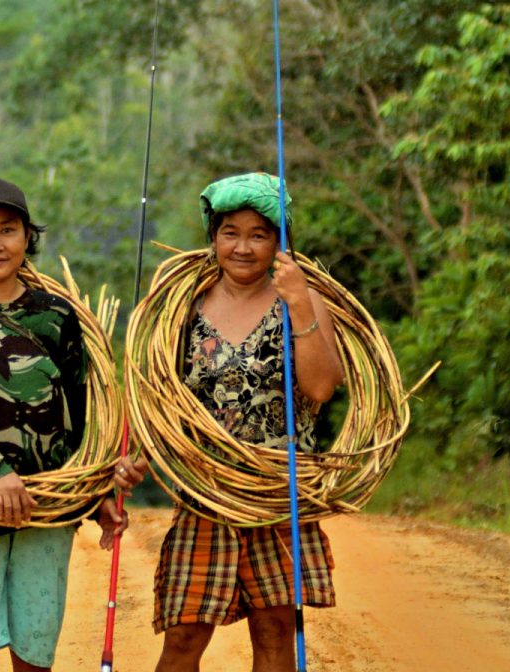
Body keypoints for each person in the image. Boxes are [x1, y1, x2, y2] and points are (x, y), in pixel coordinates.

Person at [0, 175, 144, 672]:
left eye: (8, 229)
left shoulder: (57, 316)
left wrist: (95, 491)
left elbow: (83, 411)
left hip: (46, 505)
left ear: (27, 238)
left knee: (36, 652)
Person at [146, 172, 344, 672]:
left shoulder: (302, 302)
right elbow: (157, 394)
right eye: (230, 232)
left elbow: (321, 389)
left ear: (279, 242)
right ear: (212, 237)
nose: (243, 247)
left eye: (259, 234)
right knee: (185, 632)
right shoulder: (185, 308)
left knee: (275, 632)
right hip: (207, 489)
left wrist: (299, 301)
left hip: (280, 488)